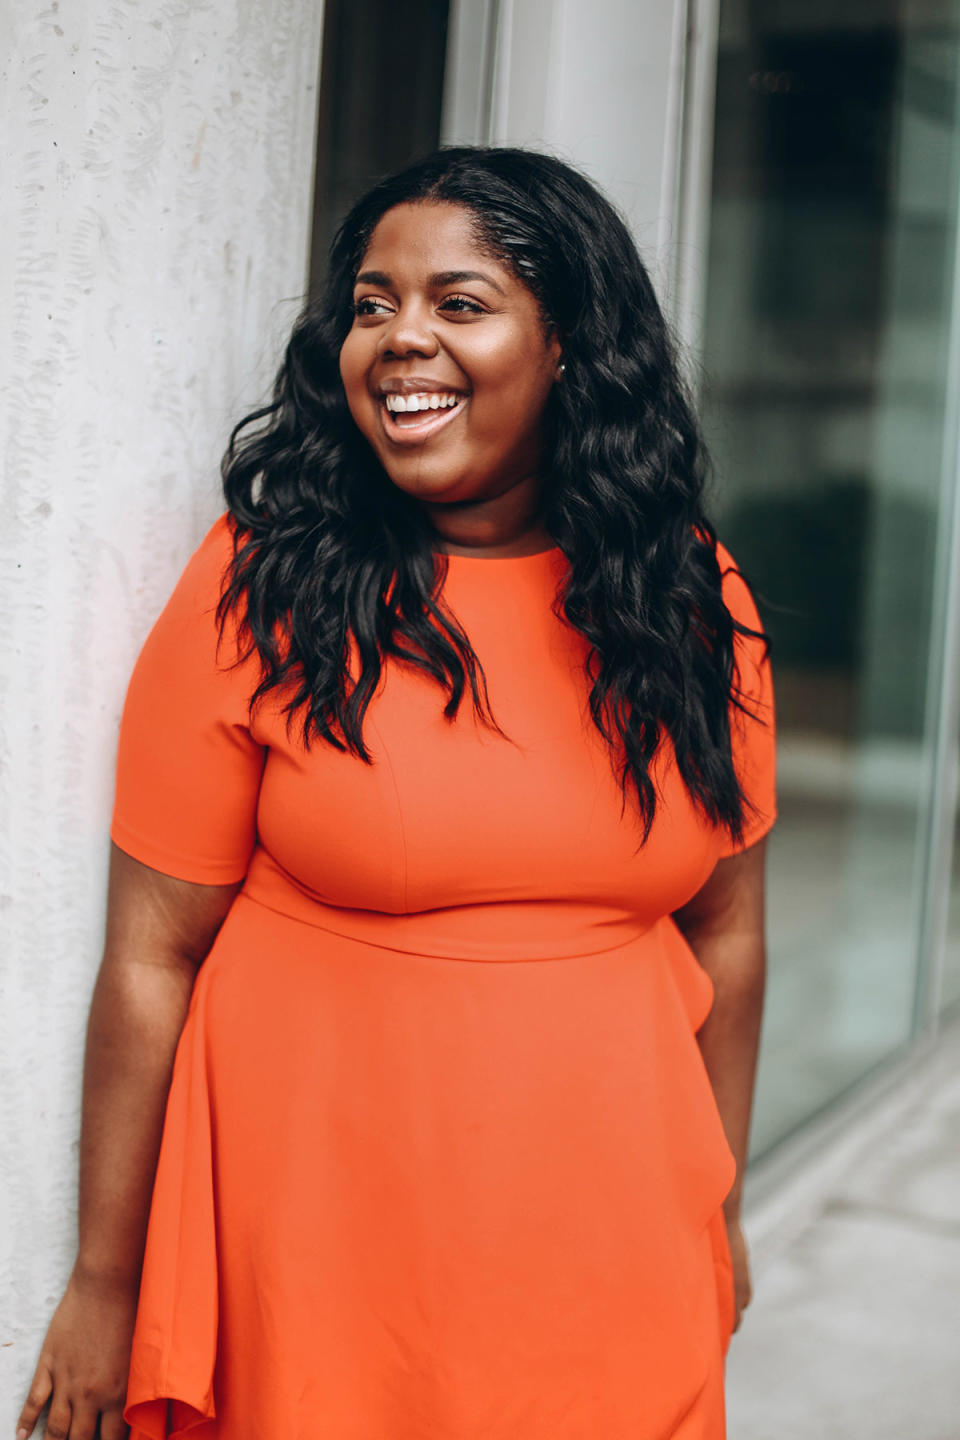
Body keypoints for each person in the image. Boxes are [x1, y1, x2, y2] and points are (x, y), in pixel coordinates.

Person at [18, 145, 776, 1440]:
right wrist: (106, 1276)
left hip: (617, 1237)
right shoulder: (265, 585)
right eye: (373, 305)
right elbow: (151, 957)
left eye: (459, 304)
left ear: (571, 349)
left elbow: (730, 930)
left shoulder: (690, 599)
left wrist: (718, 1203)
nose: (400, 341)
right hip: (328, 1252)